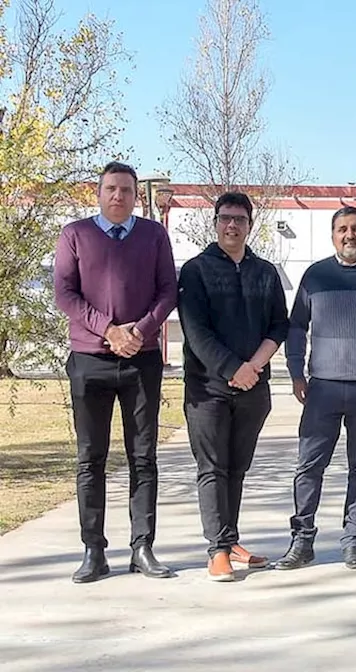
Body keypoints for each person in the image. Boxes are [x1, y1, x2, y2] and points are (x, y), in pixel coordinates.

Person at [53, 161, 178, 583]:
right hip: (90, 360)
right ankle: (94, 550)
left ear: (135, 195)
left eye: (126, 190)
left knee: (144, 456)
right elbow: (64, 293)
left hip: (141, 361)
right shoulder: (76, 235)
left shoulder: (154, 235)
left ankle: (142, 547)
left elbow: (168, 291)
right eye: (111, 189)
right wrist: (108, 330)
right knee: (91, 457)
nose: (119, 196)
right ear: (99, 192)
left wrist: (139, 331)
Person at [276, 206, 356, 571]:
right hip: (323, 389)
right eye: (343, 229)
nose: (350, 235)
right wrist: (296, 372)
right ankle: (302, 540)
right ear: (333, 235)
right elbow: (297, 326)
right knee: (309, 466)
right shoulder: (315, 276)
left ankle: (353, 539)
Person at [177, 191, 288, 581]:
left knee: (237, 468)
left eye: (240, 219)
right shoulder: (196, 270)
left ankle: (231, 539)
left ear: (249, 225)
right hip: (208, 388)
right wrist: (232, 369)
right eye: (225, 218)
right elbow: (196, 331)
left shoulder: (266, 272)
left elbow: (279, 324)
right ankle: (217, 550)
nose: (232, 225)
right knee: (212, 467)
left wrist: (253, 367)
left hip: (254, 388)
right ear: (215, 222)